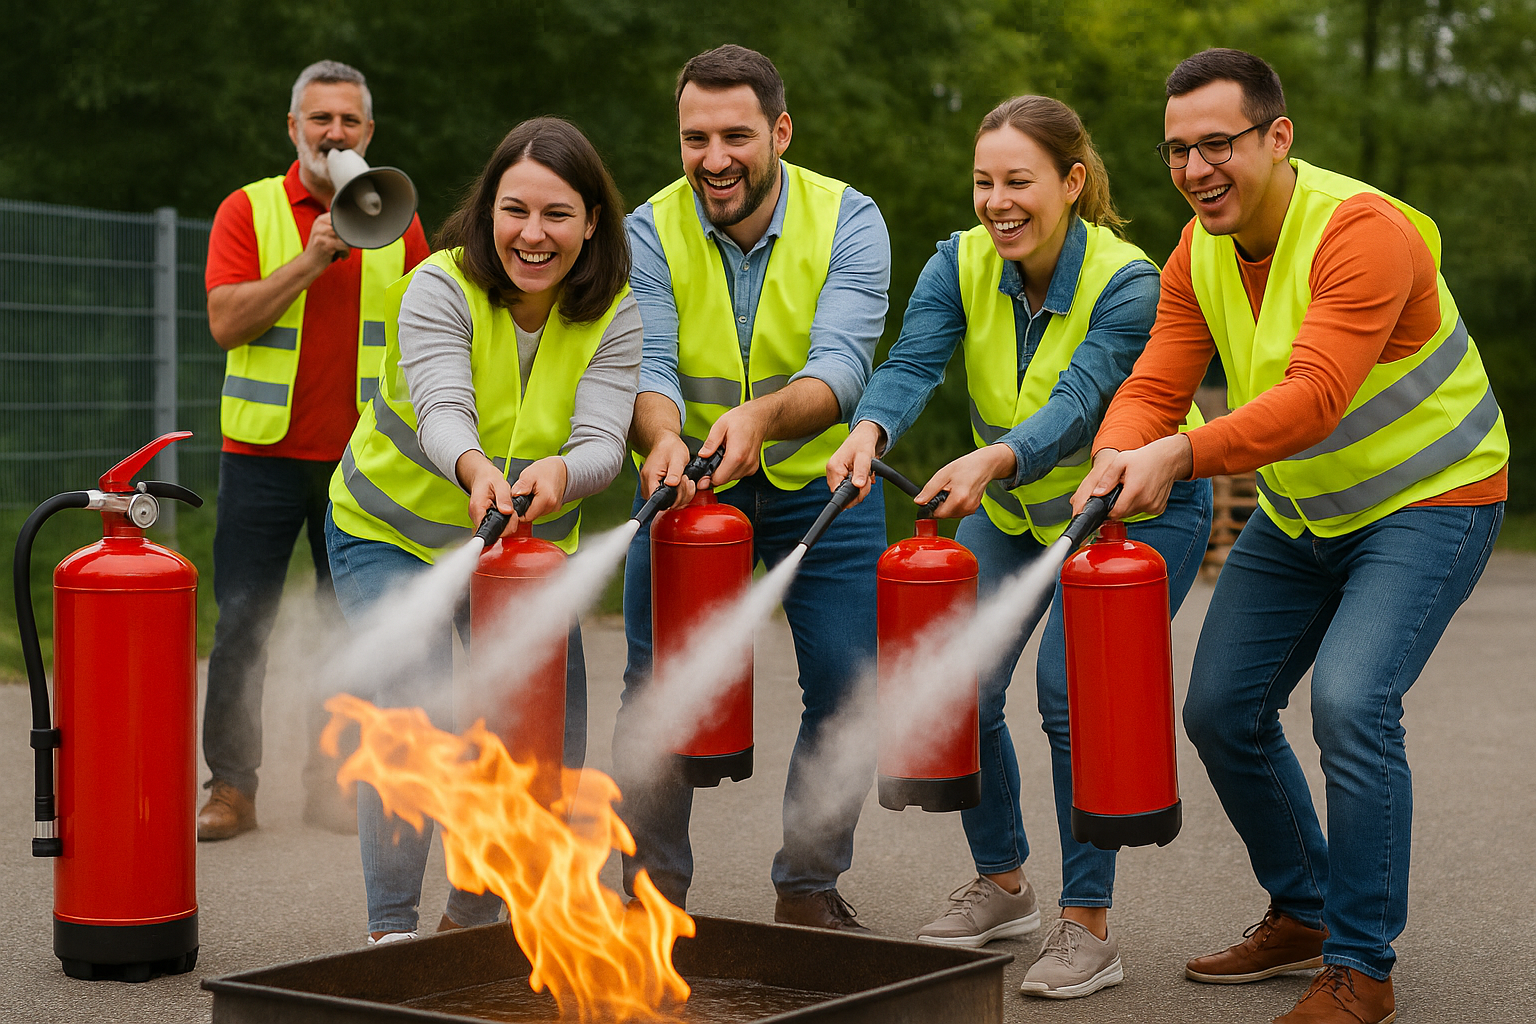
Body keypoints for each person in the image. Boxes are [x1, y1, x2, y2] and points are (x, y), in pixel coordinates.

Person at [1074, 49, 1507, 1024]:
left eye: (1217, 144)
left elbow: (1312, 399)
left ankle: (1362, 968)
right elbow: (1156, 381)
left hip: (1429, 502)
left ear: (1278, 137)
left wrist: (1177, 458)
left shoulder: (1365, 234)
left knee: (1353, 703)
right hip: (1305, 513)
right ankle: (1305, 908)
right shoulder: (1199, 249)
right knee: (1222, 709)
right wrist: (1114, 456)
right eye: (1177, 150)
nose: (1194, 170)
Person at [828, 96, 1213, 997]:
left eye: (1018, 182)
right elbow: (915, 360)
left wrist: (994, 457)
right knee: (964, 682)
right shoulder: (959, 261)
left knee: (1070, 695)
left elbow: (1082, 401)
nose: (996, 202)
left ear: (1072, 185)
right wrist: (874, 426)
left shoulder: (1128, 282)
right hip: (1021, 515)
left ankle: (1090, 928)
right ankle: (1005, 886)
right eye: (983, 182)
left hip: (1133, 512)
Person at [324, 117, 640, 943]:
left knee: (543, 738)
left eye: (558, 214)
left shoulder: (614, 312)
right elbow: (440, 403)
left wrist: (564, 473)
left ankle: (475, 913)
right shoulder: (437, 286)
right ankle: (391, 936)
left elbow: (606, 439)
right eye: (515, 209)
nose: (532, 235)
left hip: (524, 559)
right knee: (413, 713)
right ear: (487, 210)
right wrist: (474, 468)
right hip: (388, 535)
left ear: (592, 222)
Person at [613, 44, 891, 930]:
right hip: (689, 488)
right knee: (659, 685)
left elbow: (843, 367)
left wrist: (763, 419)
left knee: (848, 686)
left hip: (825, 488)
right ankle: (651, 897)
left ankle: (807, 888)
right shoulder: (647, 230)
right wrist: (663, 440)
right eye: (695, 138)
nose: (714, 158)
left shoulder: (851, 218)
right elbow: (647, 360)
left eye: (737, 135)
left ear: (779, 131)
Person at [199, 60, 430, 841]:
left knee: (348, 624)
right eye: (320, 119)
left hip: (364, 466)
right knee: (242, 624)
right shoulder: (251, 209)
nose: (335, 133)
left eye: (350, 122)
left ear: (369, 133)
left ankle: (336, 778)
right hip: (262, 458)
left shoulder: (395, 212)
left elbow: (436, 327)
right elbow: (227, 324)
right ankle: (231, 786)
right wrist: (311, 259)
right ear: (292, 128)